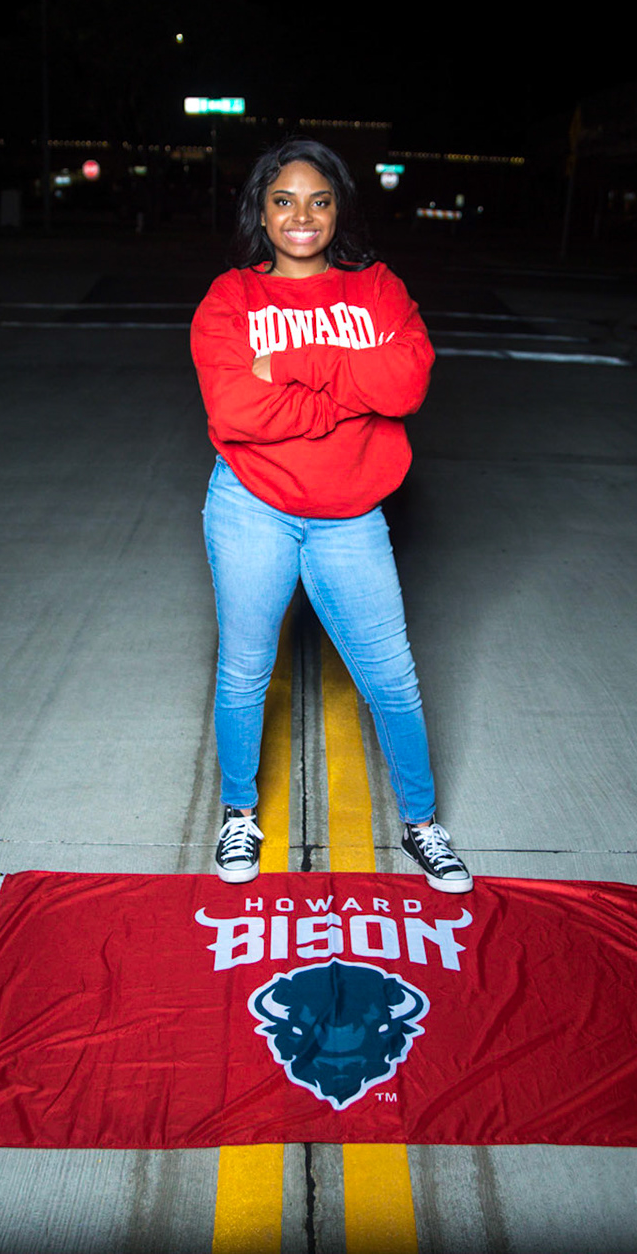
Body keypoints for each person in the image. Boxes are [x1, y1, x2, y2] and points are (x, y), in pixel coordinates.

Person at [189, 138, 471, 894]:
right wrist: (352, 400)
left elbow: (407, 384)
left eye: (319, 200)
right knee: (246, 672)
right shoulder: (230, 298)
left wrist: (292, 365)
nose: (301, 216)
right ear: (261, 212)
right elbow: (234, 409)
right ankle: (239, 813)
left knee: (393, 679)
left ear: (339, 208)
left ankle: (422, 824)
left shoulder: (376, 288)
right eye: (283, 201)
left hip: (351, 514)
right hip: (252, 507)